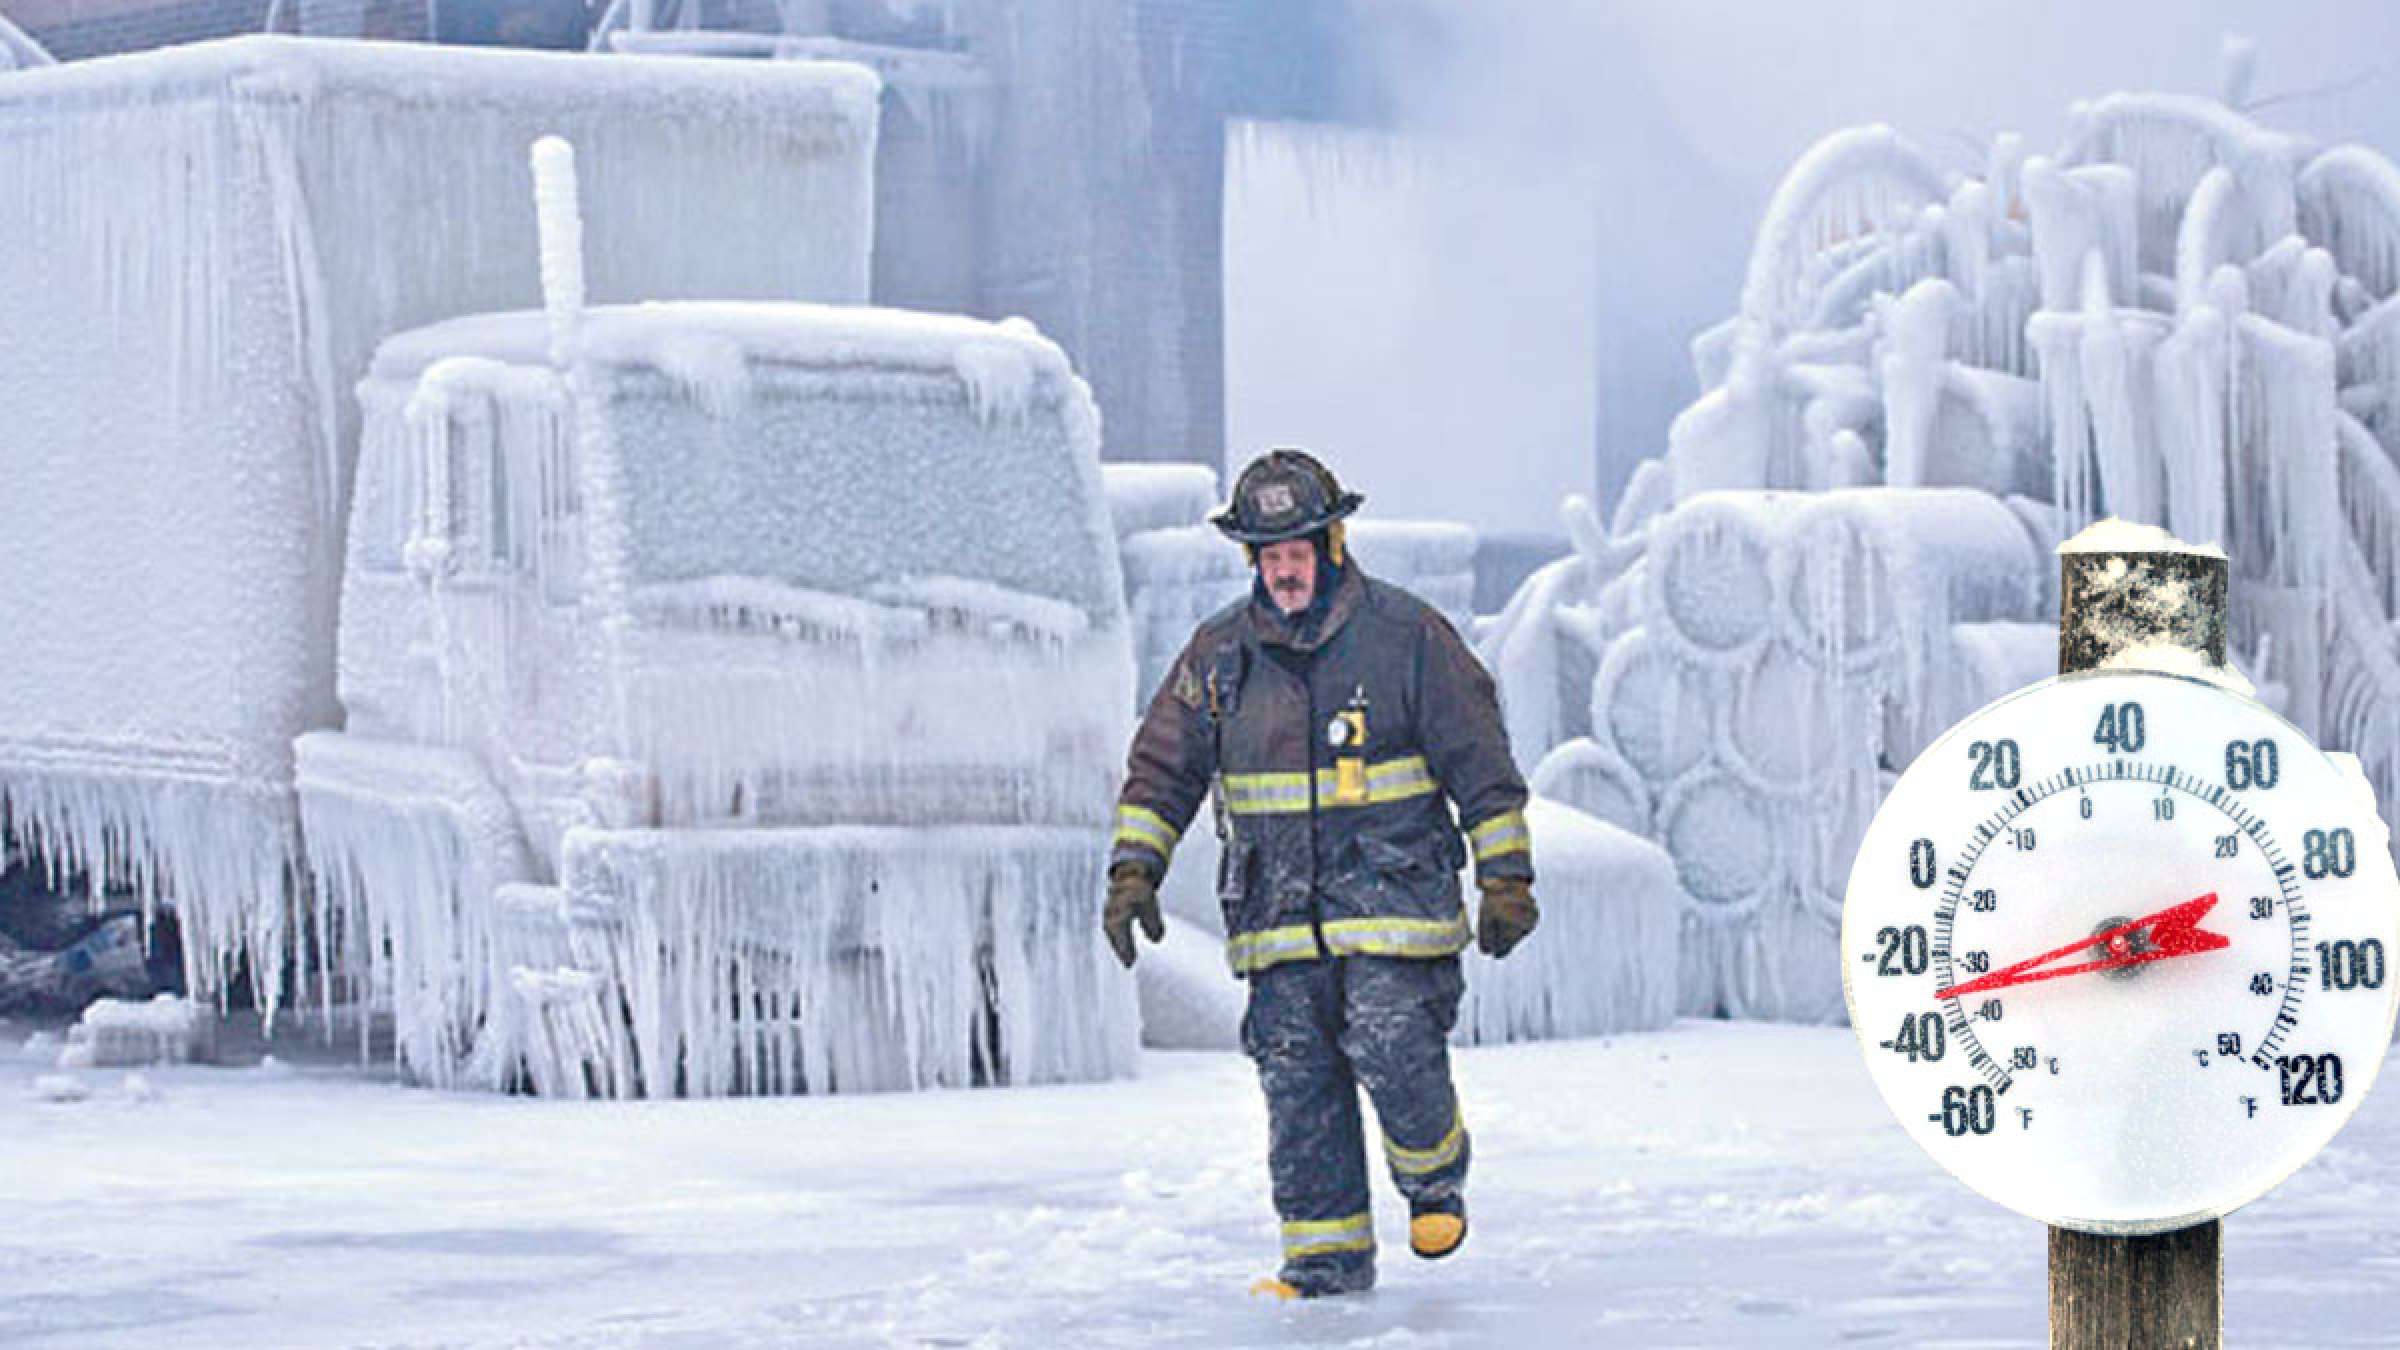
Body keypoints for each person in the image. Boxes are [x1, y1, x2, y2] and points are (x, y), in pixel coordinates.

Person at [1103, 447, 1539, 1299]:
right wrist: (1134, 871)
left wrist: (1506, 877)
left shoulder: (1408, 638)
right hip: (1276, 916)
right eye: (1269, 556)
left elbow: (1481, 763)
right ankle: (1324, 1260)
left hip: (1396, 905)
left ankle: (1434, 1178)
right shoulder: (1219, 656)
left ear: (1332, 545)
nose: (1285, 570)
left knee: (1390, 1040)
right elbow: (1163, 767)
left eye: (1298, 551)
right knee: (1296, 1077)